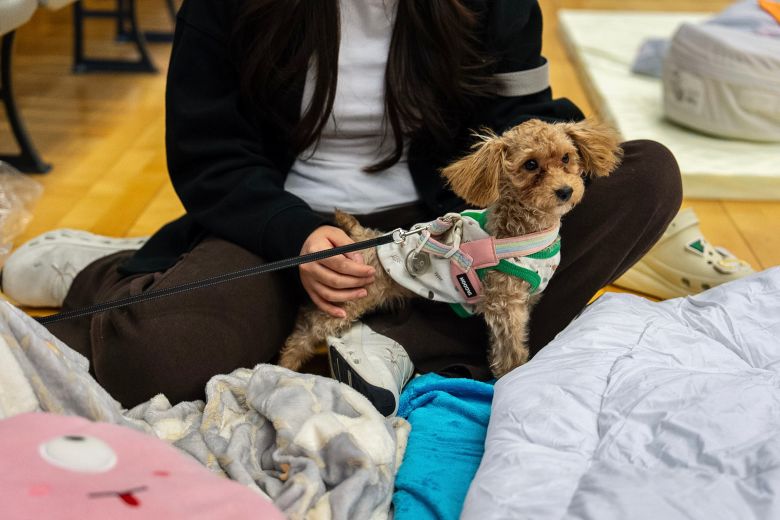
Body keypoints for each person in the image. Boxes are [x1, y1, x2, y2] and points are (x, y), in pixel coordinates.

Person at [1, 0, 682, 413]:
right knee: (155, 362)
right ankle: (113, 270)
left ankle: (379, 342)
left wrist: (564, 152)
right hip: (293, 228)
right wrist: (299, 238)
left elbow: (521, 118)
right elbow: (211, 155)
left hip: (445, 229)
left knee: (647, 175)